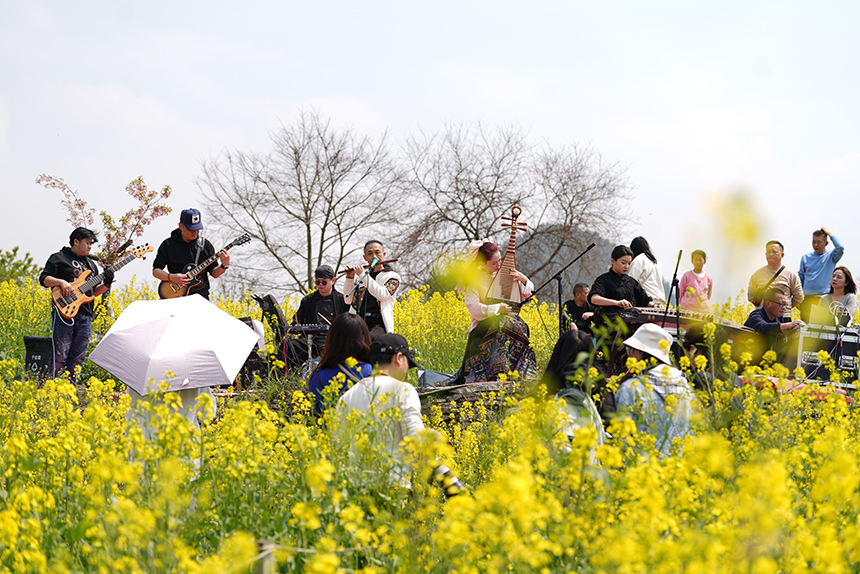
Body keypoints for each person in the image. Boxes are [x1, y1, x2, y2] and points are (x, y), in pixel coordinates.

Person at [338, 333, 466, 497]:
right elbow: (417, 440)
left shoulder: (347, 397)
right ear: (399, 358)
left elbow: (337, 446)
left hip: (355, 492)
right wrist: (449, 479)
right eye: (408, 363)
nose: (407, 371)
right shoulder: (403, 390)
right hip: (393, 490)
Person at [453, 241, 537, 384]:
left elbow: (526, 294)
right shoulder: (475, 281)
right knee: (502, 323)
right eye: (494, 263)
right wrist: (497, 308)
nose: (498, 265)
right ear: (482, 263)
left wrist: (523, 279)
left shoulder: (504, 275)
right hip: (483, 327)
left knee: (521, 325)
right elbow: (474, 308)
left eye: (500, 260)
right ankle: (497, 372)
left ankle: (519, 372)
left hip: (505, 323)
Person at [40, 227, 113, 380]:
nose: (90, 247)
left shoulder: (91, 265)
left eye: (91, 244)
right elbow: (44, 279)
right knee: (59, 354)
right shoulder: (59, 258)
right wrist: (61, 282)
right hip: (64, 313)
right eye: (87, 243)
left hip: (85, 315)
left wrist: (106, 283)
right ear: (76, 241)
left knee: (78, 357)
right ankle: (51, 387)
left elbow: (93, 293)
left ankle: (70, 388)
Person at [615, 323, 695, 457]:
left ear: (643, 352)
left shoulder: (630, 389)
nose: (629, 356)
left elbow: (622, 444)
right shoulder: (686, 389)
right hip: (679, 466)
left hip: (641, 467)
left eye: (632, 350)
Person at [152, 208, 230, 300]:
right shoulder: (168, 244)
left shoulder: (205, 245)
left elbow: (214, 273)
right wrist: (172, 277)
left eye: (197, 229)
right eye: (191, 229)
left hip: (200, 297)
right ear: (180, 226)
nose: (195, 232)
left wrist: (224, 265)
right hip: (174, 297)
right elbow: (156, 271)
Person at [286, 265, 350, 369]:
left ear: (333, 281)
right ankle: (286, 375)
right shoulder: (307, 300)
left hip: (332, 340)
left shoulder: (342, 300)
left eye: (324, 282)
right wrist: (296, 325)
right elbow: (297, 321)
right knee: (289, 345)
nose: (320, 285)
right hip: (311, 340)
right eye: (317, 282)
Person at [307, 313, 374, 415]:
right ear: (365, 339)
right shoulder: (374, 373)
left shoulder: (318, 376)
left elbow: (316, 408)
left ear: (332, 339)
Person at [343, 240, 400, 338]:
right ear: (365, 257)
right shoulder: (362, 277)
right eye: (370, 254)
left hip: (378, 323)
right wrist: (349, 278)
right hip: (358, 321)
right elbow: (348, 300)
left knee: (370, 338)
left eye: (377, 253)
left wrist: (363, 275)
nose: (374, 256)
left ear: (384, 254)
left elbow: (382, 295)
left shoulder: (392, 276)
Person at [589, 245, 660, 323]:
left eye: (629, 263)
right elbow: (594, 299)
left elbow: (644, 300)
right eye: (623, 263)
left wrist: (654, 306)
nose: (626, 266)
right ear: (613, 261)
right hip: (610, 323)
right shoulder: (603, 280)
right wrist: (616, 303)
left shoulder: (631, 282)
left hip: (630, 322)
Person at [798, 227, 845, 321]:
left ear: (826, 243)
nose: (815, 245)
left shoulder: (831, 256)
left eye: (819, 242)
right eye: (813, 242)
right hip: (807, 298)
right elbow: (800, 278)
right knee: (805, 326)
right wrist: (798, 297)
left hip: (824, 298)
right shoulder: (805, 257)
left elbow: (840, 247)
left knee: (823, 327)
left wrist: (829, 233)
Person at [743, 289, 802, 361]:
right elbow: (764, 327)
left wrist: (796, 327)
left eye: (785, 305)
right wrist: (789, 325)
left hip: (767, 361)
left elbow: (785, 331)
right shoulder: (755, 315)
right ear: (768, 304)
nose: (784, 307)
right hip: (747, 359)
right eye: (781, 304)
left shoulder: (779, 318)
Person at [747, 240, 803, 317]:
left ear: (782, 255)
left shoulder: (791, 274)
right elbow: (751, 296)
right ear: (765, 254)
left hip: (783, 317)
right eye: (768, 252)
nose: (771, 254)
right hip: (763, 318)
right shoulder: (757, 274)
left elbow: (799, 297)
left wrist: (784, 307)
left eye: (774, 252)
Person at [628, 236, 665, 303]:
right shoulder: (656, 261)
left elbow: (631, 281)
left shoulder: (639, 260)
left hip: (646, 300)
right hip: (659, 300)